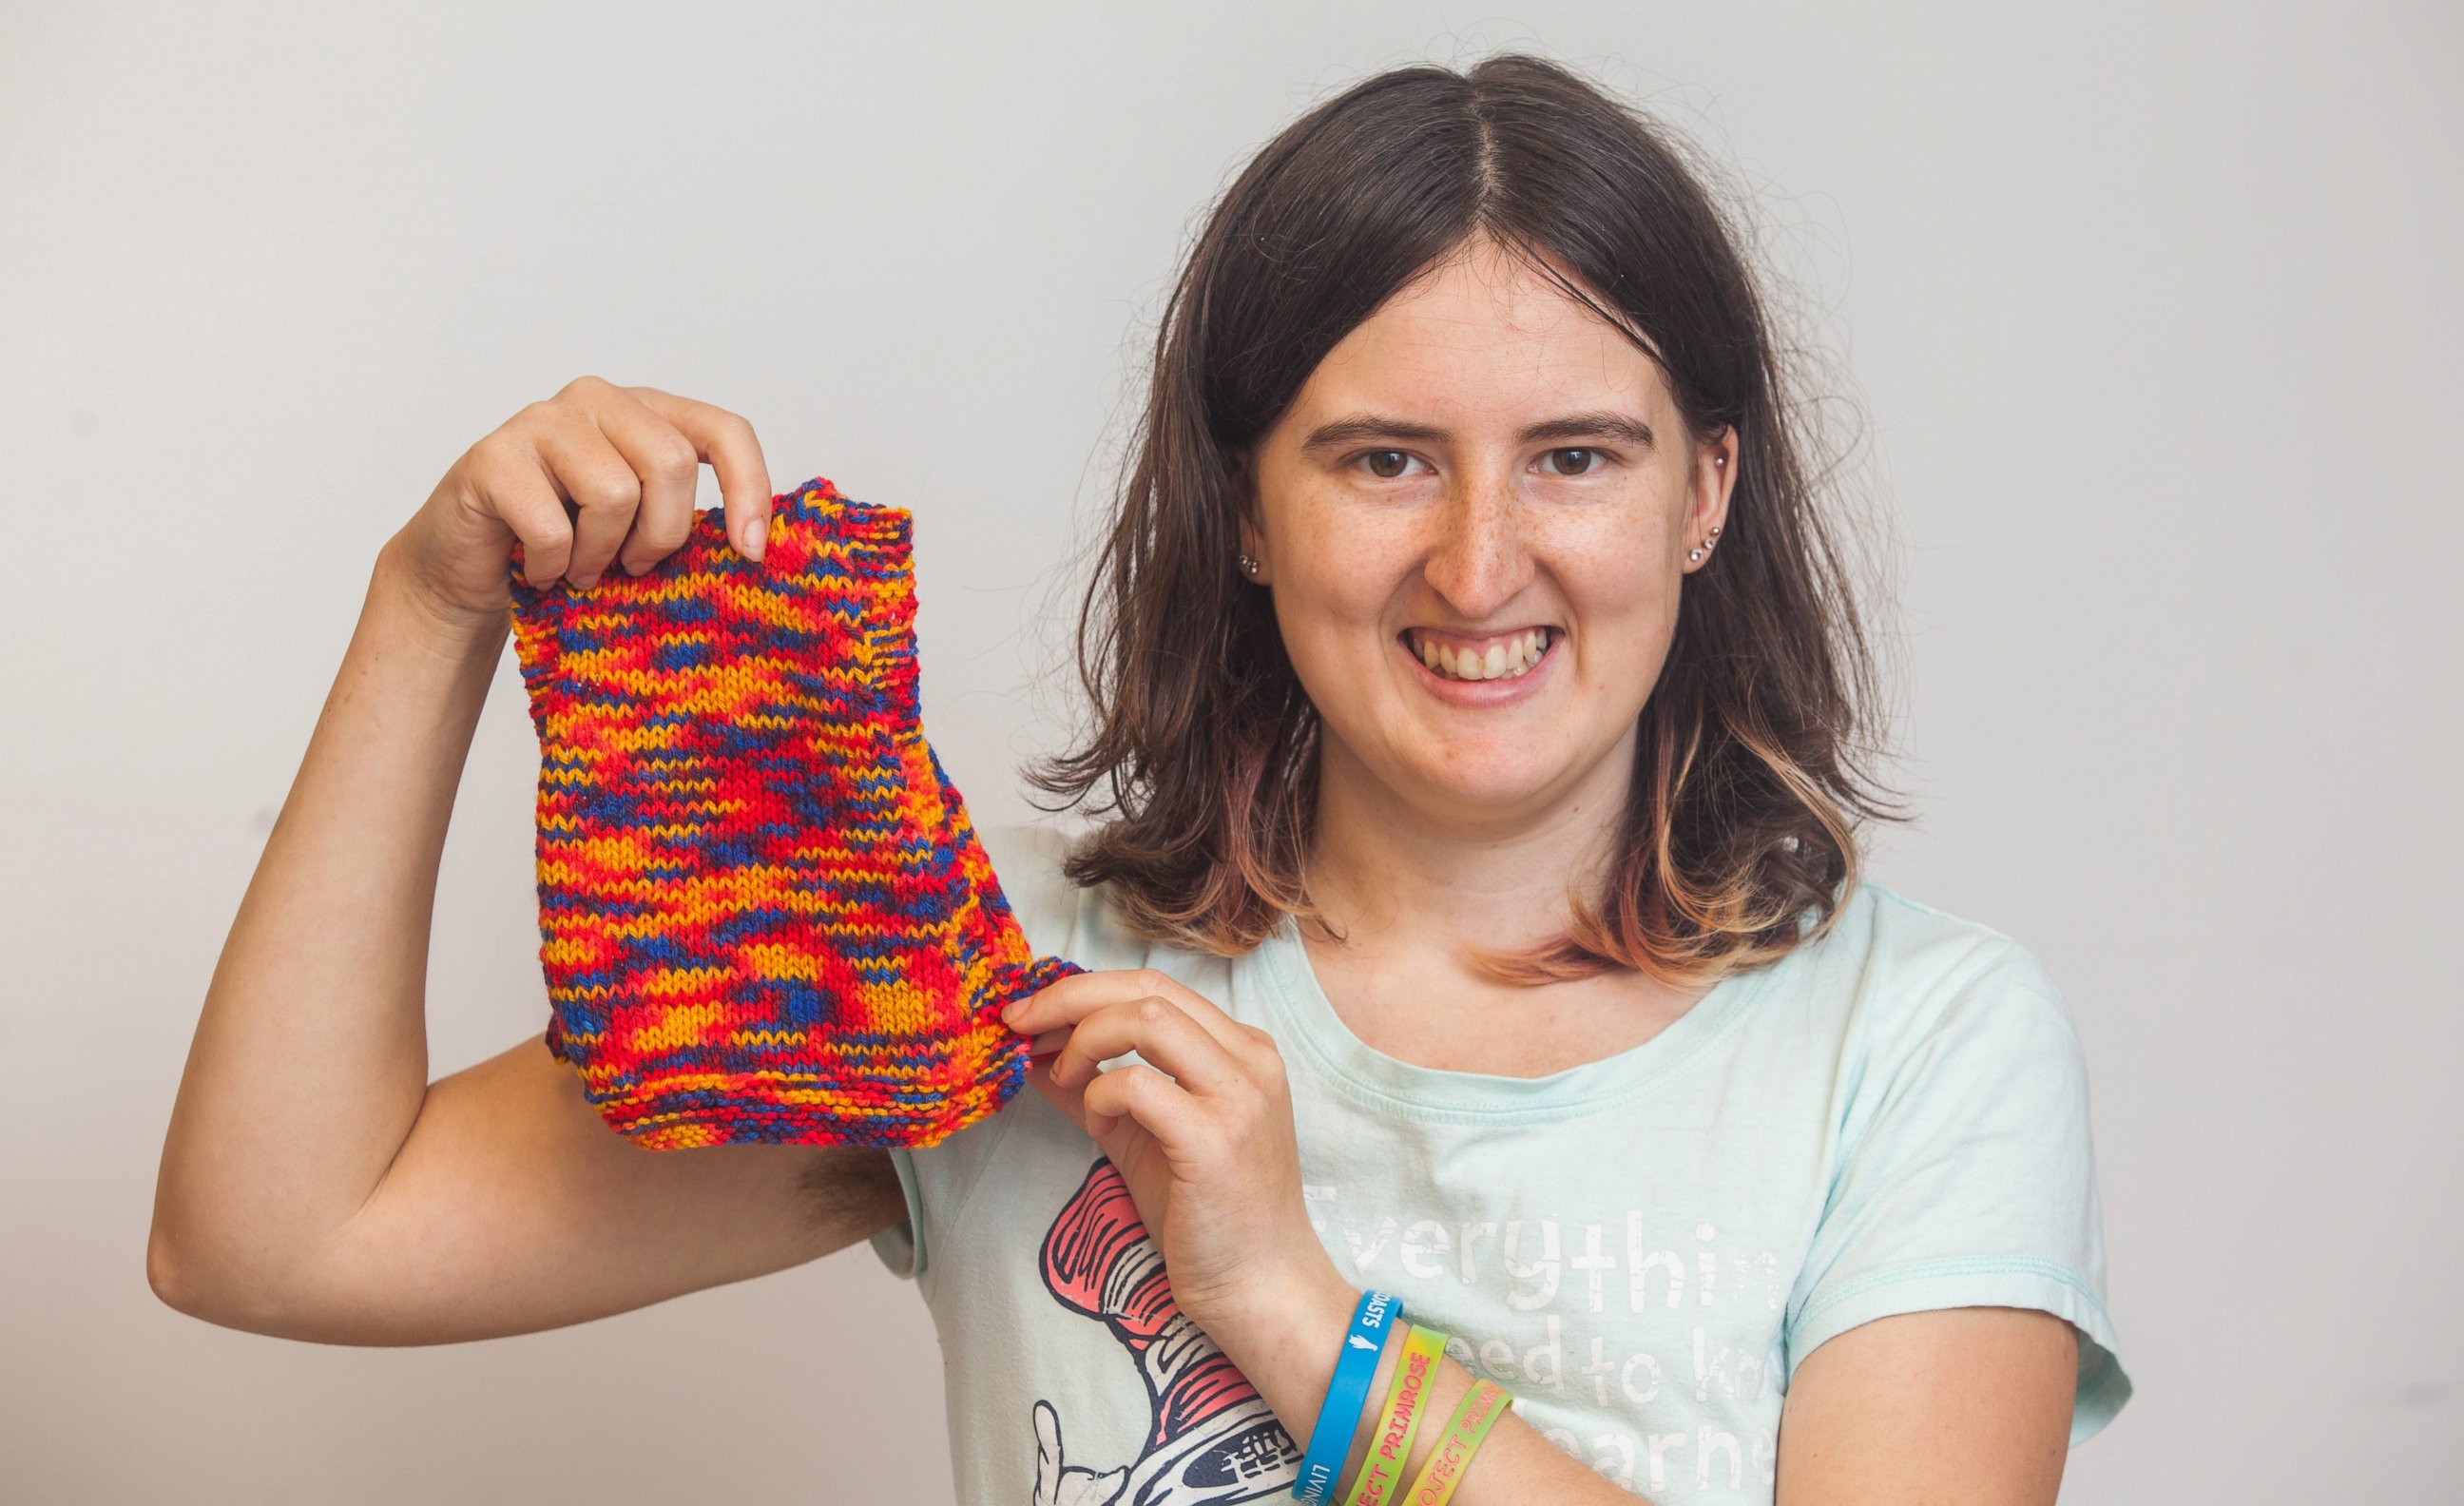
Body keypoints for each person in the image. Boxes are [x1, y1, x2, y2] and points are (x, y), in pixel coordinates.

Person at [148, 51, 2128, 1505]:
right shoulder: (989, 979)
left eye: (1578, 457)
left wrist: (1286, 1306)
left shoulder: (1918, 1044)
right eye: (1380, 459)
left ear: (1705, 491)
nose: (1477, 561)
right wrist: (432, 607)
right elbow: (279, 1236)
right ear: (1248, 509)